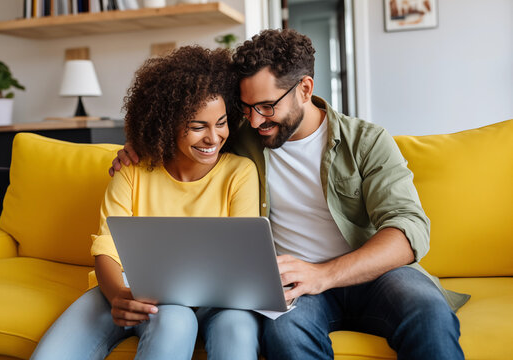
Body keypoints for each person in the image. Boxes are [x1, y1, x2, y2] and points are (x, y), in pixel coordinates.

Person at [111, 29, 470, 360]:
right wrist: (140, 145)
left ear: (304, 88)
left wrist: (324, 274)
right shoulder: (241, 138)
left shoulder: (367, 141)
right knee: (285, 334)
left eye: (267, 106)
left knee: (427, 311)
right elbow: (185, 128)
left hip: (374, 275)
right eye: (247, 107)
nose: (255, 120)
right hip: (294, 286)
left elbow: (408, 231)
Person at [31, 46, 261, 360]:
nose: (213, 138)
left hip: (215, 302)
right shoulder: (133, 171)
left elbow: (241, 256)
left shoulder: (239, 173)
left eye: (220, 122)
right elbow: (106, 246)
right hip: (126, 286)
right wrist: (118, 297)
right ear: (166, 125)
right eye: (197, 127)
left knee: (229, 330)